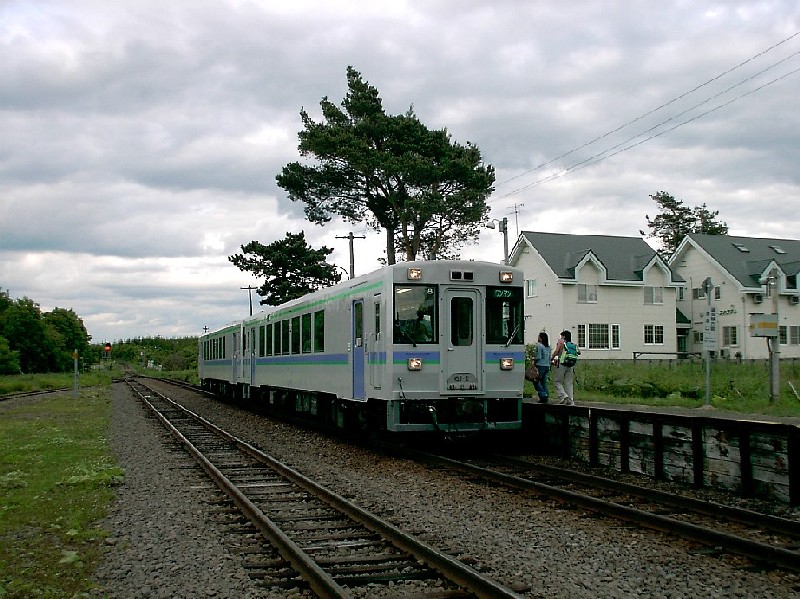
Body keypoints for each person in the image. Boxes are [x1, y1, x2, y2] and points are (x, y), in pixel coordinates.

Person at [551, 329, 579, 405]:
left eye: (561, 336)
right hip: (570, 365)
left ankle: (563, 396)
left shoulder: (561, 342)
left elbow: (557, 351)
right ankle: (570, 401)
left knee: (557, 381)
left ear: (563, 336)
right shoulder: (573, 344)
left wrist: (552, 358)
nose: (560, 337)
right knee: (568, 383)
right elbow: (578, 352)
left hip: (562, 363)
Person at [533, 332, 551, 403]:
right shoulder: (548, 347)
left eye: (538, 336)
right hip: (547, 365)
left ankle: (543, 395)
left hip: (540, 365)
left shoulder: (539, 346)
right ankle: (546, 395)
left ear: (541, 338)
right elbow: (549, 358)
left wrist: (534, 362)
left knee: (536, 381)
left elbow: (538, 357)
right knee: (543, 382)